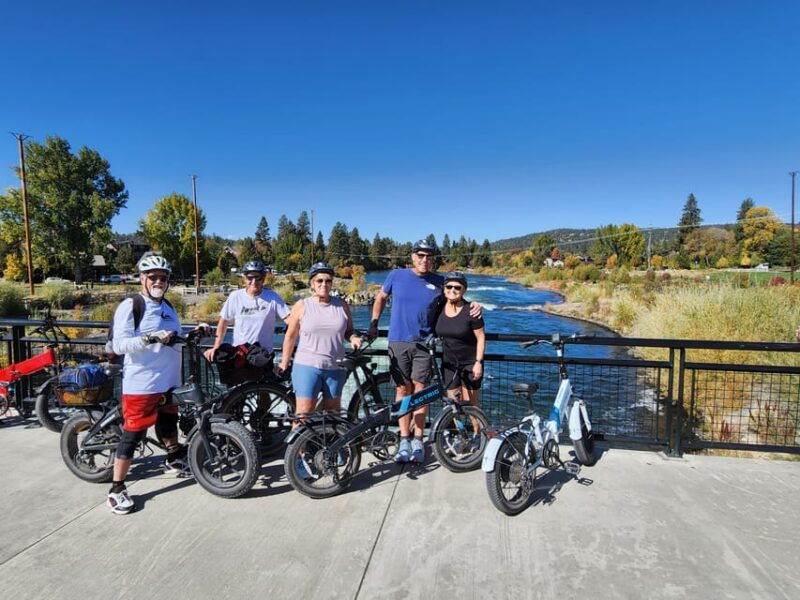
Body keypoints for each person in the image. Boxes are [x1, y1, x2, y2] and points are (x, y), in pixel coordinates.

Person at [369, 240, 481, 463]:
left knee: (420, 393)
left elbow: (455, 297)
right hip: (398, 341)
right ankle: (404, 439)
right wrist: (374, 323)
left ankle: (418, 439)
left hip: (424, 345)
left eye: (429, 256)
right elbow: (381, 297)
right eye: (420, 255)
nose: (424, 260)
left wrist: (473, 305)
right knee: (402, 391)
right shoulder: (396, 275)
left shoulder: (439, 281)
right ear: (412, 256)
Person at [106, 253, 186, 515]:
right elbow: (119, 344)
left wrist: (196, 331)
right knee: (133, 434)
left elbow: (175, 335)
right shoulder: (131, 305)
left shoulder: (168, 306)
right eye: (153, 277)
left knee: (169, 422)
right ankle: (116, 489)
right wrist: (150, 338)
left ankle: (173, 459)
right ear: (142, 278)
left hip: (168, 380)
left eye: (163, 277)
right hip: (141, 382)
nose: (158, 281)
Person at [278, 262, 362, 422]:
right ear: (312, 283)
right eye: (319, 280)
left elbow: (349, 331)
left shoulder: (342, 305)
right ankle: (298, 441)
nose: (324, 284)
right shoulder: (302, 305)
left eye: (328, 280)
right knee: (303, 414)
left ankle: (327, 440)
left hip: (336, 367)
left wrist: (353, 338)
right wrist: (284, 362)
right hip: (307, 366)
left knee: (332, 415)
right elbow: (290, 336)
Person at [204, 260, 290, 363]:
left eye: (258, 278)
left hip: (263, 357)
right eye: (250, 278)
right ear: (244, 279)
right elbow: (223, 323)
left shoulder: (272, 297)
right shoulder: (235, 296)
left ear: (263, 279)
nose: (254, 282)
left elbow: (289, 319)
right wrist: (216, 346)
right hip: (240, 355)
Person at [432, 272, 486, 411]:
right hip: (449, 364)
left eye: (457, 287)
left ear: (464, 290)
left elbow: (481, 337)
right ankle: (457, 426)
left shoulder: (472, 311)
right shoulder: (438, 308)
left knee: (471, 405)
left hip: (470, 364)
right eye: (449, 287)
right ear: (444, 289)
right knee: (453, 405)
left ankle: (478, 426)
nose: (452, 290)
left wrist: (478, 363)